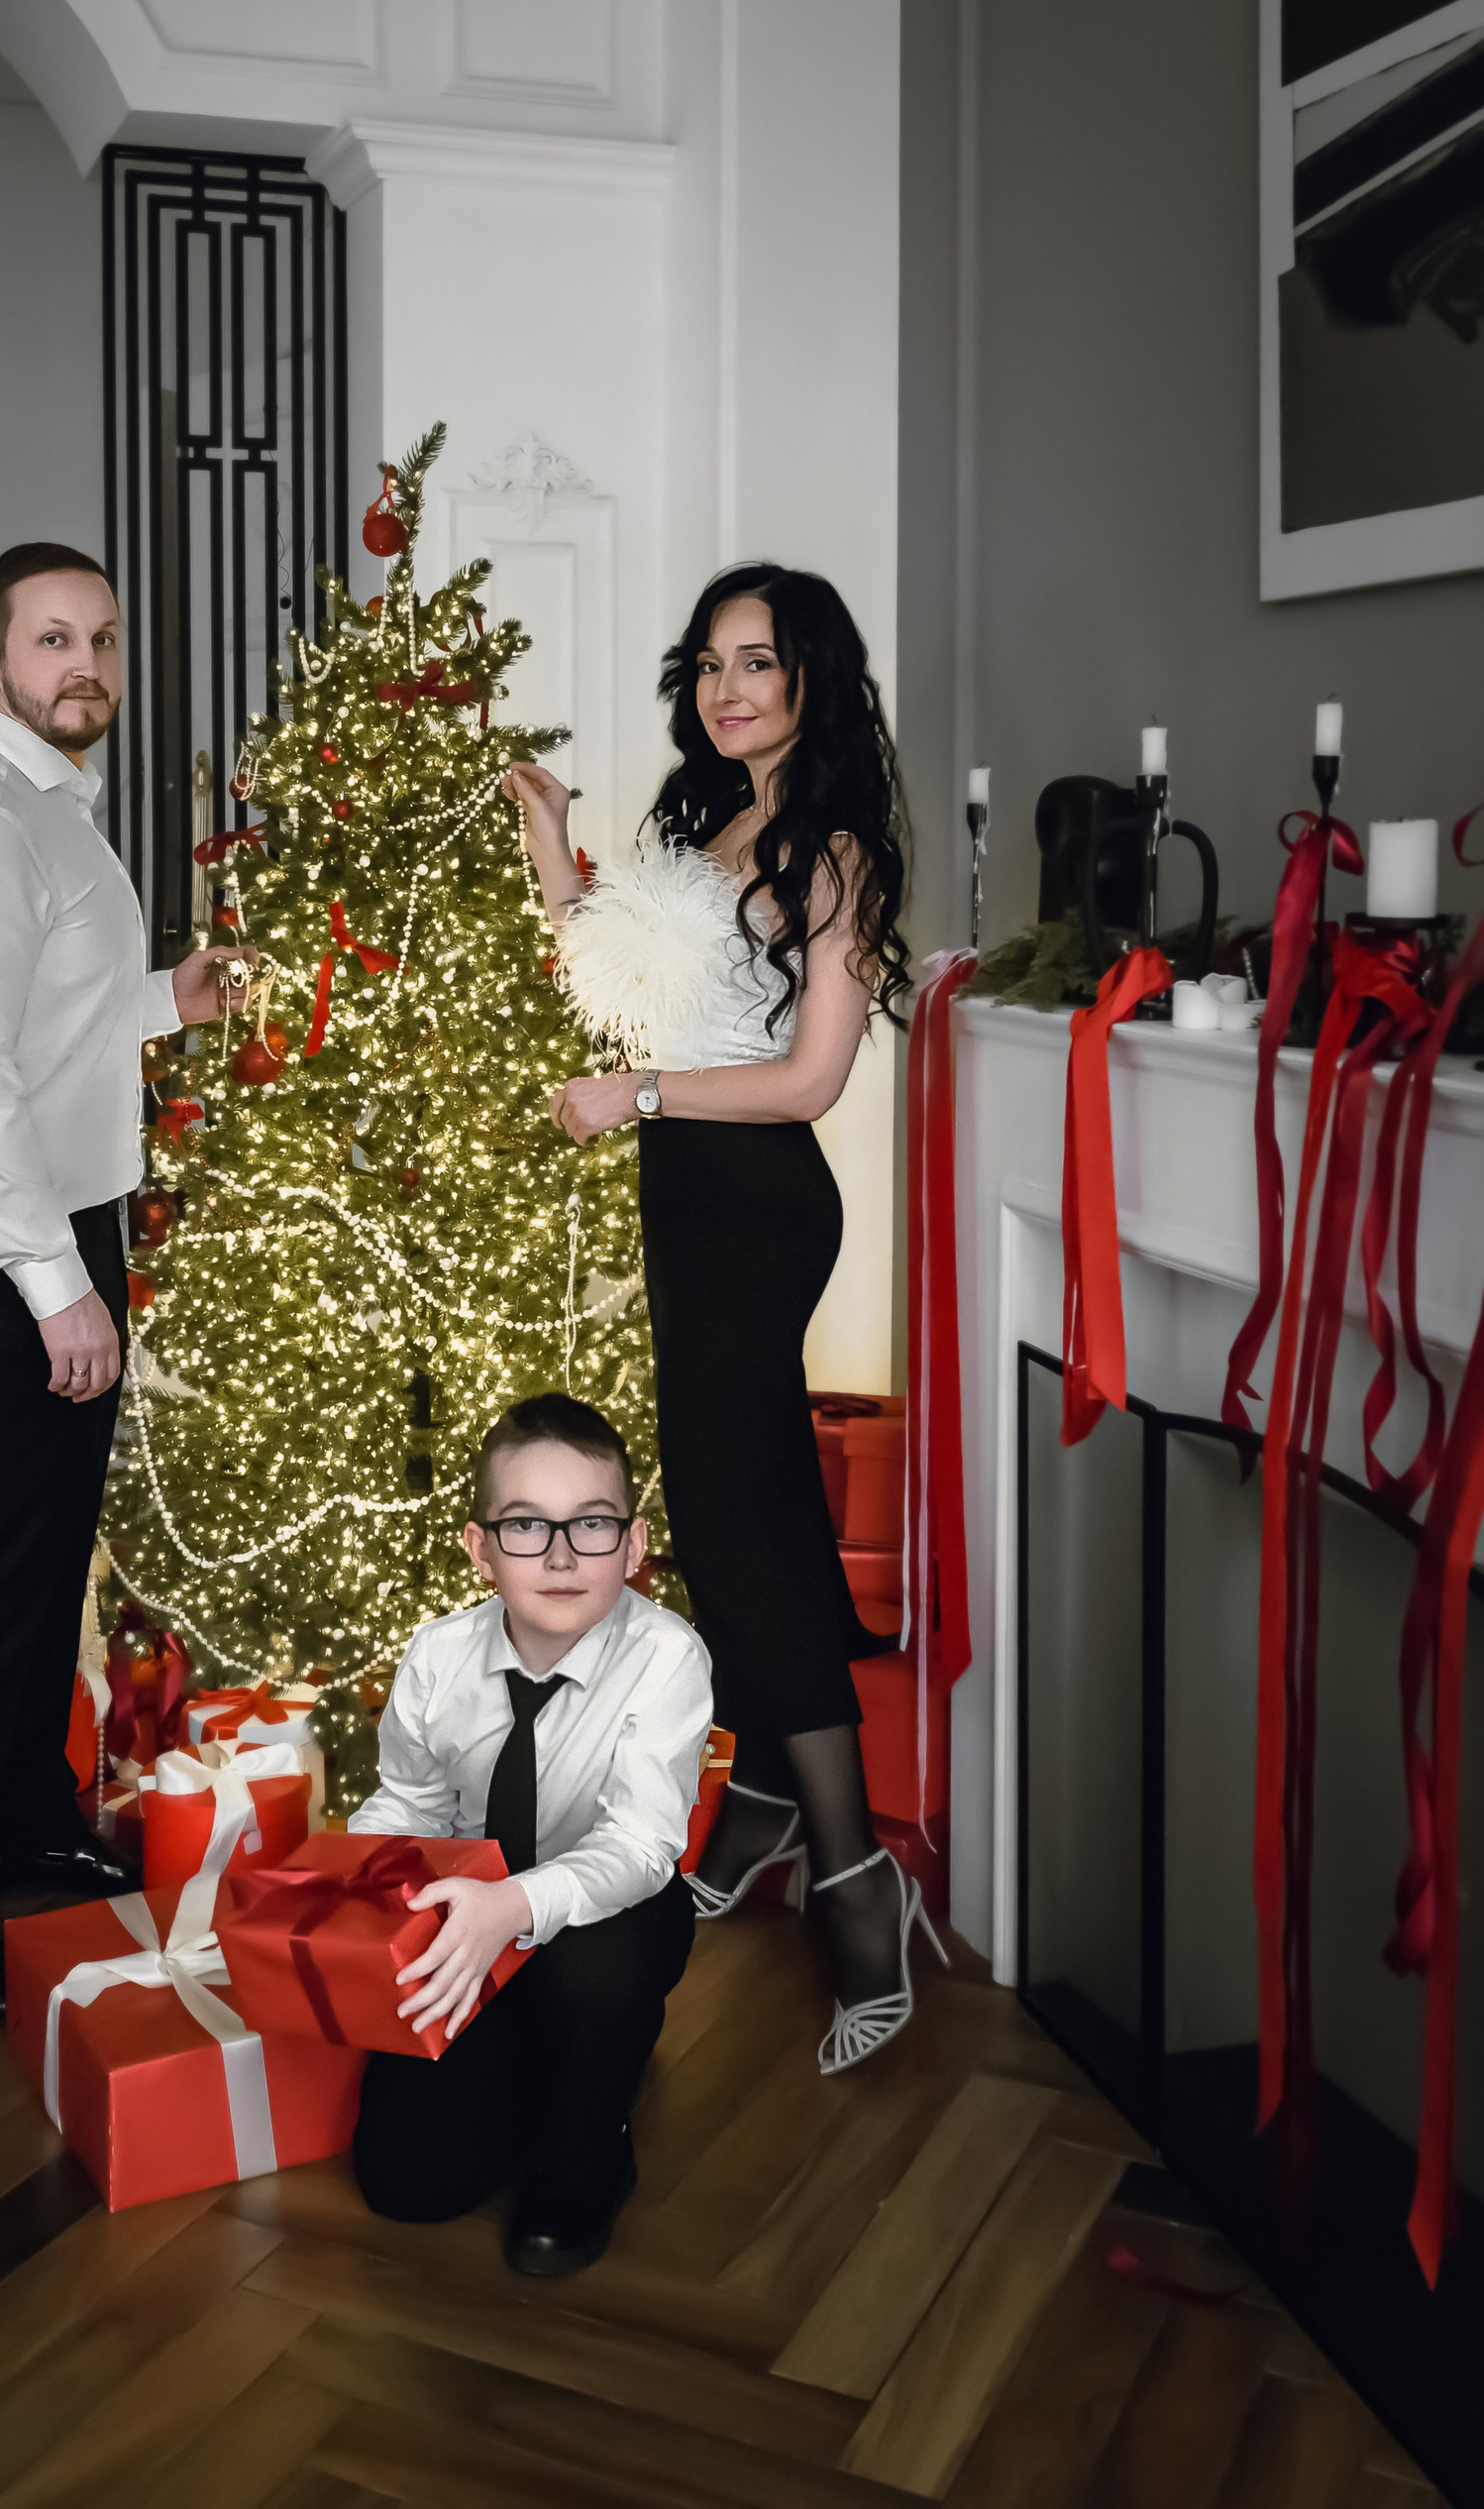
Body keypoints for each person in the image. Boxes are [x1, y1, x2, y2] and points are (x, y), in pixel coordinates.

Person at [504, 564, 941, 2080]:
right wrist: (553, 842)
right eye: (709, 663)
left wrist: (637, 1097)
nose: (728, 688)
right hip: (686, 1198)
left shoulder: (836, 851)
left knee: (747, 1533)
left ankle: (860, 1886)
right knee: (724, 1509)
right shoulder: (707, 825)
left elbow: (811, 1078)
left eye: (758, 661)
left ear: (813, 677)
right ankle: (758, 1811)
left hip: (756, 1206)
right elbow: (626, 994)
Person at [0, 541, 242, 2019]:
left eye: (101, 637)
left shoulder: (52, 807)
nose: (84, 663)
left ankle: (25, 1817)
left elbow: (45, 1023)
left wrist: (167, 999)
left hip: (58, 1235)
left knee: (43, 1566)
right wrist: (55, 1286)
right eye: (50, 639)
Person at [350, 1391, 711, 2276]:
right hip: (471, 1926)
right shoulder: (438, 1657)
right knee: (407, 2185)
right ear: (480, 1549)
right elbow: (408, 1804)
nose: (559, 1555)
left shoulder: (667, 1657)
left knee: (600, 1969)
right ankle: (530, 2062)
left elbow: (640, 1846)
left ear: (632, 1544)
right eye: (524, 1526)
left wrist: (512, 1906)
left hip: (609, 1920)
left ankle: (588, 2149)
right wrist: (349, 1878)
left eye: (591, 1525)